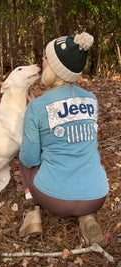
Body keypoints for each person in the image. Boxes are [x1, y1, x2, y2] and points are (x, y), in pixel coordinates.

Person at [18, 32, 109, 247]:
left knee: (24, 159)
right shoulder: (92, 99)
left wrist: (33, 110)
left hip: (55, 199)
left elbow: (30, 158)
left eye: (45, 58)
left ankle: (32, 213)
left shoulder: (38, 107)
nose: (42, 61)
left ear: (53, 67)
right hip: (97, 196)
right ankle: (87, 217)